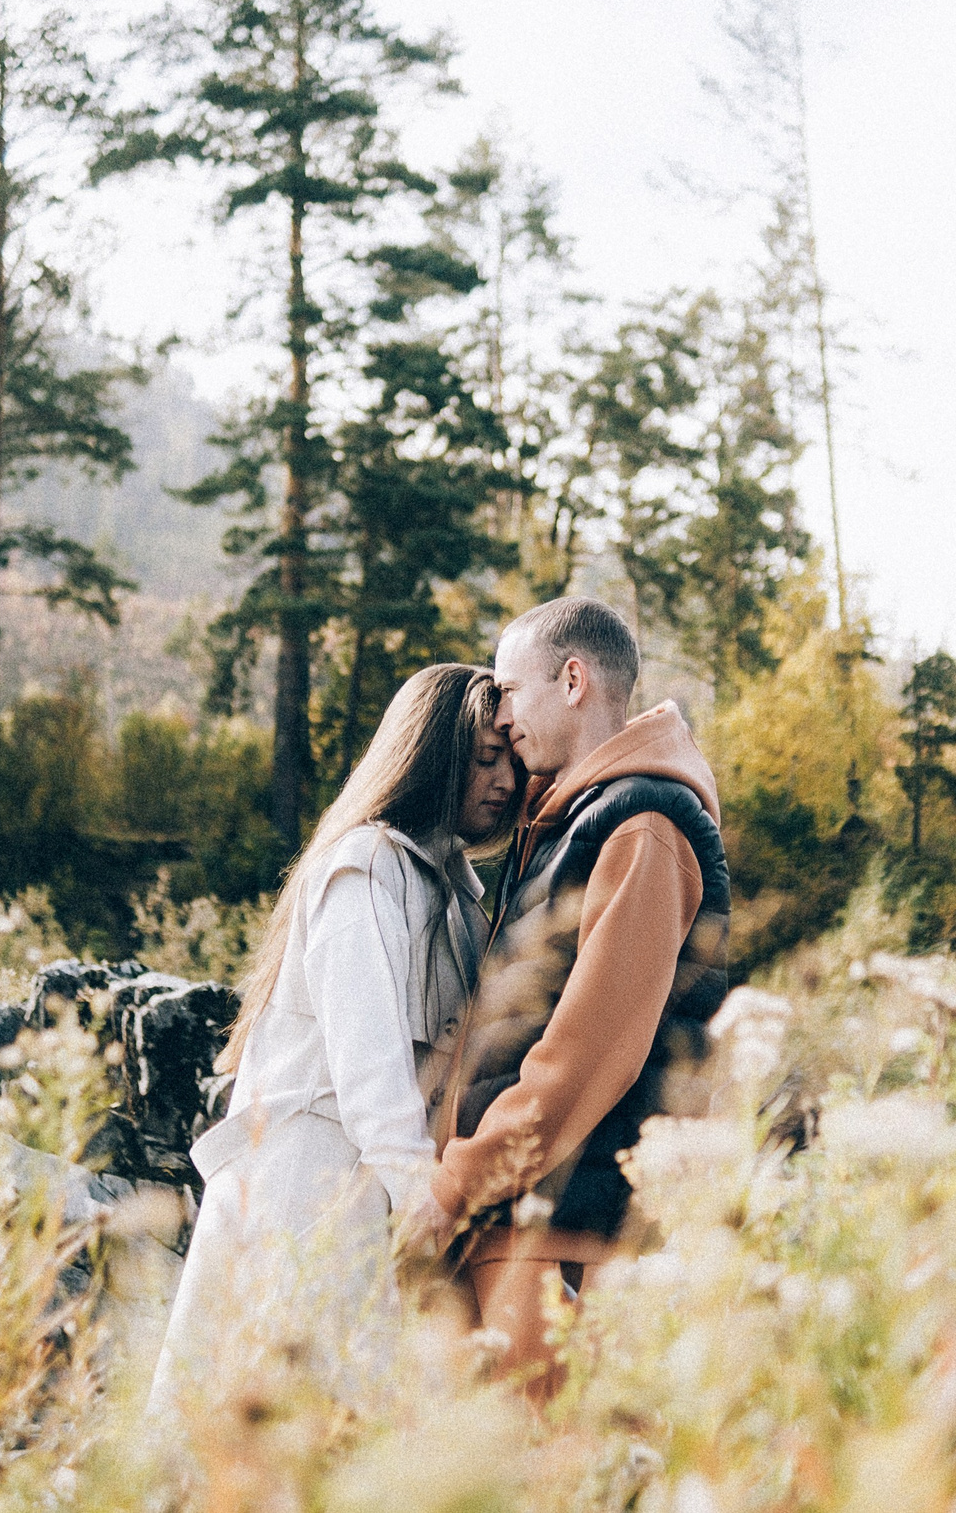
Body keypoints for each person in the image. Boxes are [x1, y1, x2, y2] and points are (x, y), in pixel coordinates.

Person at [148, 662, 521, 1415]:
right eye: (486, 757)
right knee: (263, 1437)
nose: (507, 779)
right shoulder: (364, 867)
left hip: (362, 1199)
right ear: (433, 754)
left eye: (512, 759)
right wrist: (427, 1203)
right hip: (303, 1187)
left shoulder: (453, 890)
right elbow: (369, 1062)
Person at [413, 597, 729, 1399]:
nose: (503, 714)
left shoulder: (643, 824)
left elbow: (585, 1057)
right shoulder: (564, 821)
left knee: (557, 1473)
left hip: (569, 1232)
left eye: (512, 691)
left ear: (574, 679)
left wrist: (452, 1185)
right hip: (519, 1220)